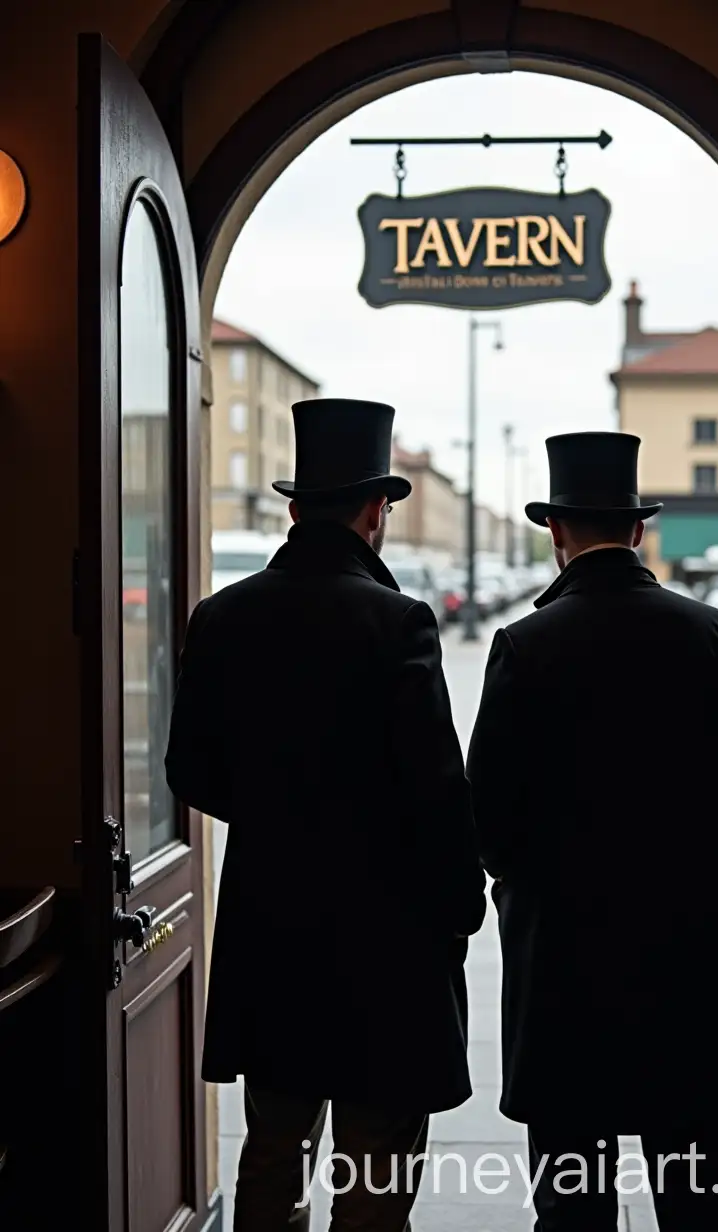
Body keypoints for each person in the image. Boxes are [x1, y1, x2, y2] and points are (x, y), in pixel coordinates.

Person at [165, 399, 487, 1232]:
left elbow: (190, 772)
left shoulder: (223, 617)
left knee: (274, 1147)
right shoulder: (398, 621)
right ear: (375, 509)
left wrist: (280, 815)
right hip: (387, 933)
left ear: (294, 506)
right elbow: (436, 788)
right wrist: (460, 907)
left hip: (272, 924)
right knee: (376, 1159)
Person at [466, 432, 718, 1231]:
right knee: (694, 1183)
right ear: (638, 531)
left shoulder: (524, 644)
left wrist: (525, 883)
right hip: (687, 938)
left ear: (556, 532)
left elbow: (489, 810)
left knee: (573, 1192)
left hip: (566, 951)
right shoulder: (711, 632)